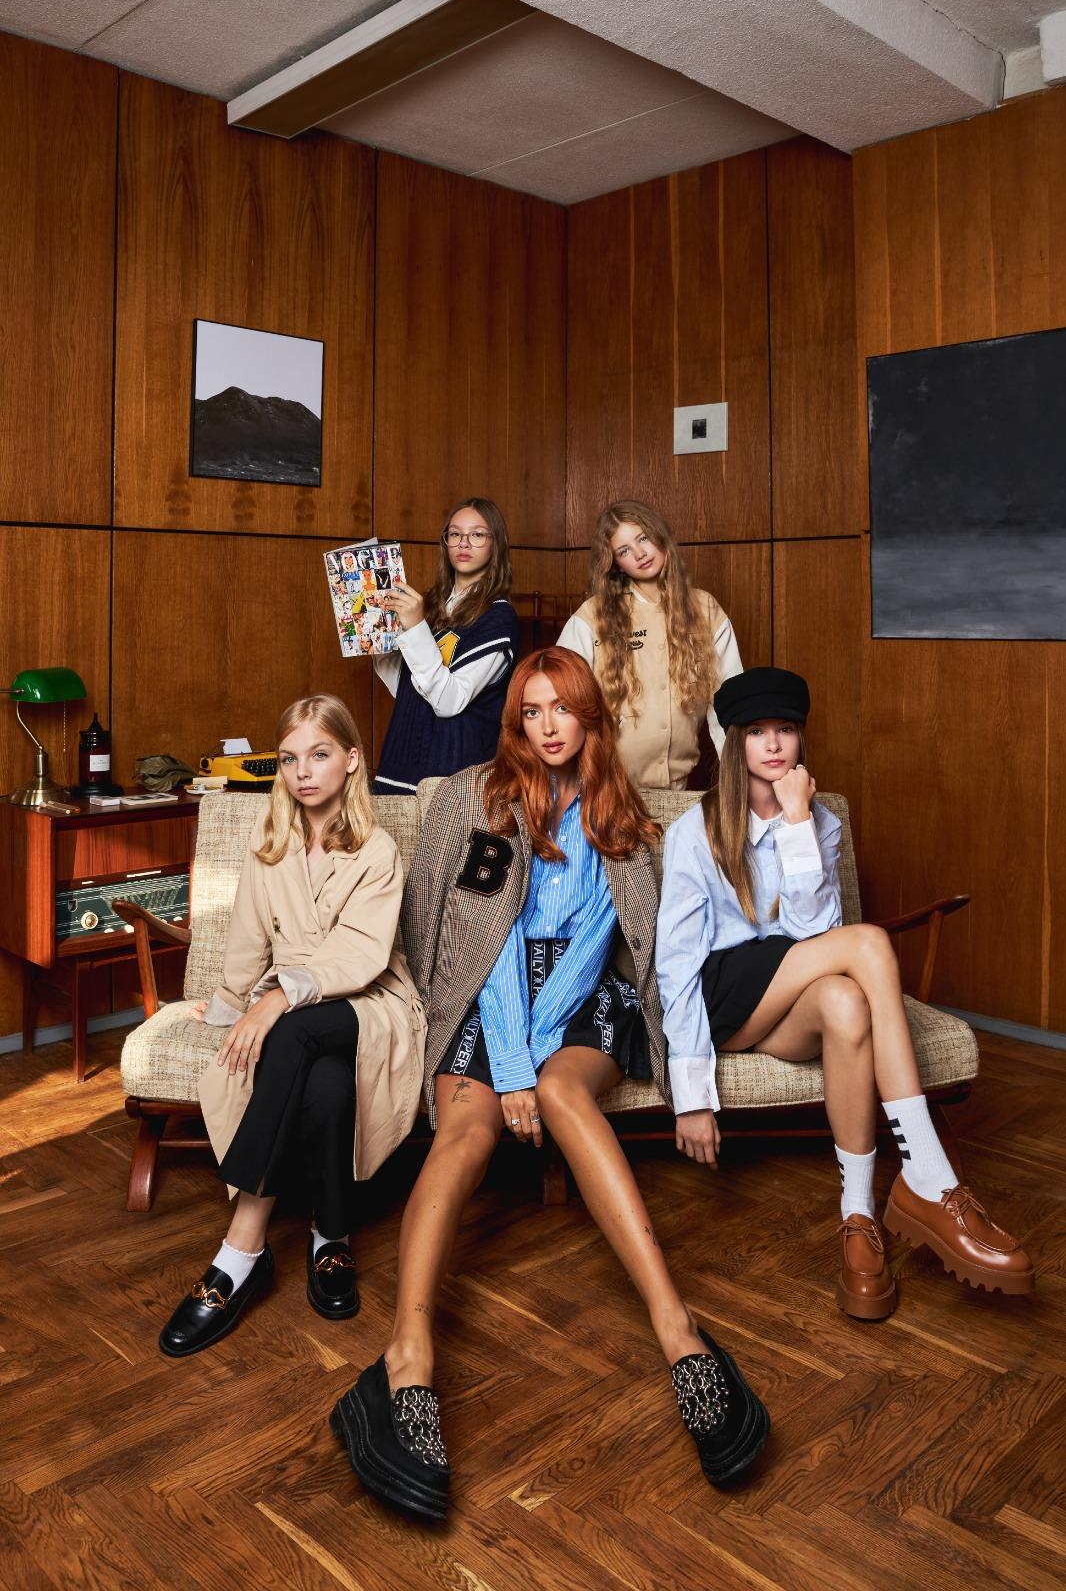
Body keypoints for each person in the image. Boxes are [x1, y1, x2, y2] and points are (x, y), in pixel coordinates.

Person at [329, 649, 769, 1521]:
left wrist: (535, 1065)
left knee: (566, 1093)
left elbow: (606, 943)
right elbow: (466, 935)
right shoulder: (476, 800)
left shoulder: (619, 814)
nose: (547, 726)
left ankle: (680, 1334)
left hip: (581, 992)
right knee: (467, 1134)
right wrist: (509, 1065)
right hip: (482, 988)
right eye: (530, 712)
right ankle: (404, 1360)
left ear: (588, 716)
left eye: (561, 708)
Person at [656, 666, 1034, 1320]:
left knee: (846, 1001)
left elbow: (815, 939)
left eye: (786, 730)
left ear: (801, 738)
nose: (774, 745)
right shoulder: (695, 831)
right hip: (723, 1001)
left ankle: (858, 1216)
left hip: (787, 999)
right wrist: (691, 1096)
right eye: (757, 732)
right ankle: (930, 1176)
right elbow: (676, 966)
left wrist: (798, 822)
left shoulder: (819, 823)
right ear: (735, 742)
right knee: (869, 945)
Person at [158, 695, 426, 1357]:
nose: (303, 771)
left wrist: (274, 1001)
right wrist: (228, 1005)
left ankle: (240, 1248)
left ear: (351, 759)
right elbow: (248, 941)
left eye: (320, 754)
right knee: (325, 1083)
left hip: (369, 1004)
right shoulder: (269, 844)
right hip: (299, 1018)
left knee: (292, 1032)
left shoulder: (378, 849)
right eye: (289, 759)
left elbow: (360, 956)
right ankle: (330, 1235)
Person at [558, 499, 742, 789]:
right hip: (607, 787)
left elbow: (729, 703)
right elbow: (561, 699)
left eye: (643, 538)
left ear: (659, 534)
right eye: (624, 551)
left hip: (677, 788)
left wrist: (738, 781)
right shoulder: (592, 616)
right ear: (616, 564)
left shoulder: (705, 609)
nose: (640, 554)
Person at [372, 498, 520, 794]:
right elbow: (408, 688)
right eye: (455, 534)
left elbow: (449, 702)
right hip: (401, 765)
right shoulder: (429, 604)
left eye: (477, 534)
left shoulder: (499, 617)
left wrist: (415, 629)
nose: (464, 543)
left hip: (453, 778)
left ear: (496, 543)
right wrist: (375, 631)